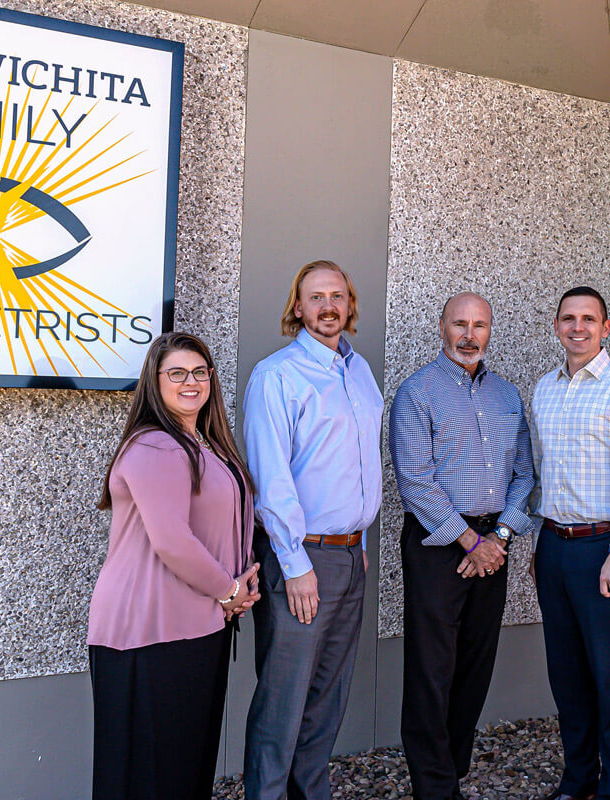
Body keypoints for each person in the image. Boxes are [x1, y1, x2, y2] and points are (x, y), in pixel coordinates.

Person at [86, 332, 260, 800]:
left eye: (200, 372)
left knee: (184, 766)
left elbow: (221, 522)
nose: (191, 382)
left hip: (198, 622)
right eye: (177, 373)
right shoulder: (156, 447)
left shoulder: (202, 443)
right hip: (150, 630)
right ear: (155, 381)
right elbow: (172, 541)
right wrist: (229, 590)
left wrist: (240, 580)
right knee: (151, 773)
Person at [243, 260, 383, 800]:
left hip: (350, 558)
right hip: (301, 561)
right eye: (316, 297)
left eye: (338, 296)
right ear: (296, 307)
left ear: (349, 304)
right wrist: (297, 565)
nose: (328, 306)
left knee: (328, 696)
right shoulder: (277, 375)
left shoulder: (359, 371)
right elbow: (271, 477)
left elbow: (360, 463)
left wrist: (361, 542)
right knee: (284, 700)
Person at [389, 292, 536, 800]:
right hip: (438, 545)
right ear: (442, 326)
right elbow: (415, 481)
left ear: (490, 329)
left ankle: (454, 770)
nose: (469, 335)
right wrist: (471, 541)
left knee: (476, 660)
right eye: (460, 324)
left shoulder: (507, 395)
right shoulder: (417, 392)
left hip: (494, 543)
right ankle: (433, 787)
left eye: (479, 325)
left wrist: (498, 537)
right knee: (432, 668)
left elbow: (524, 474)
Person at [530, 286, 610, 800]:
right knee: (566, 674)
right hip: (554, 546)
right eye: (568, 318)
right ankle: (578, 778)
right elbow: (541, 471)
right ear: (557, 325)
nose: (577, 327)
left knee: (609, 675)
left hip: (604, 548)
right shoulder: (544, 388)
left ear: (606, 328)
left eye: (589, 319)